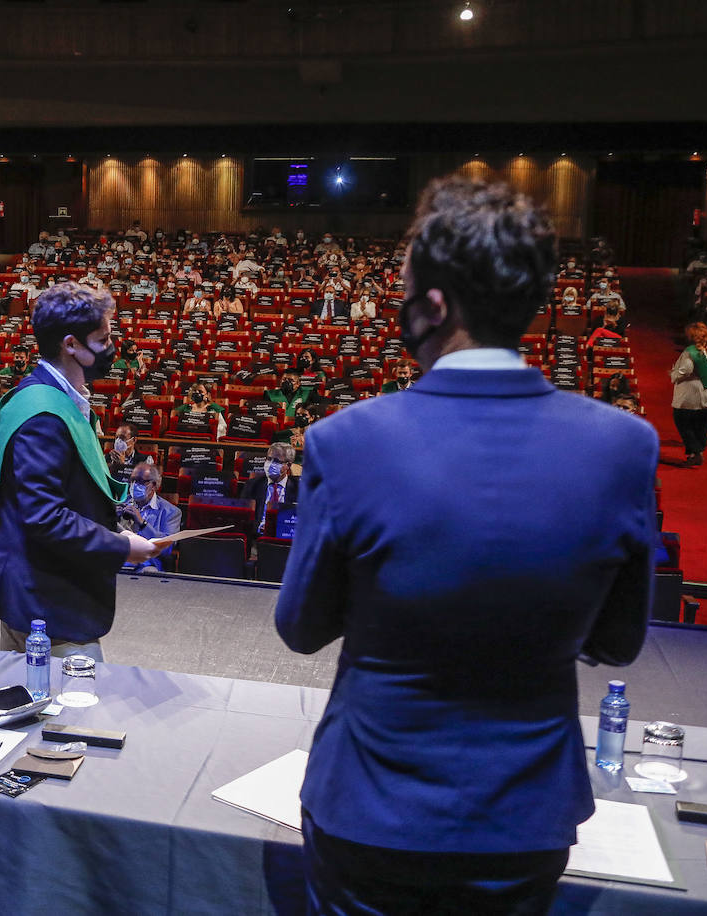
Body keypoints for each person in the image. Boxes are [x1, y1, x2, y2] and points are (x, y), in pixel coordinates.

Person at [276, 177, 658, 915]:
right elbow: (618, 641)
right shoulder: (624, 446)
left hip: (370, 814)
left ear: (437, 305)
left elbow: (301, 628)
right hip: (524, 821)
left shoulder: (345, 441)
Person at [0, 283, 159, 661]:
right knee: (73, 713)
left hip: (37, 589)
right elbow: (44, 516)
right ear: (71, 345)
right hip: (47, 602)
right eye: (103, 339)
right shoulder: (43, 415)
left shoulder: (49, 397)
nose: (113, 348)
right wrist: (122, 546)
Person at [118, 463, 181, 574]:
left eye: (141, 482)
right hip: (119, 561)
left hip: (146, 565)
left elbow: (167, 549)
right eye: (133, 480)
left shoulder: (171, 512)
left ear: (154, 485)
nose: (135, 485)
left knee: (150, 573)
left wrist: (142, 524)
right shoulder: (121, 503)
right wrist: (112, 518)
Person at [671, 321, 707, 467]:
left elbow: (686, 369)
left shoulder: (691, 351)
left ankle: (696, 451)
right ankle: (695, 454)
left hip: (692, 393)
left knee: (681, 420)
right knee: (701, 426)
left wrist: (674, 374)